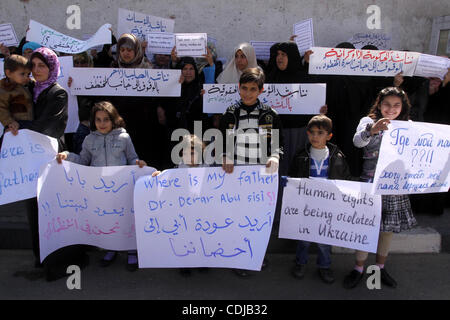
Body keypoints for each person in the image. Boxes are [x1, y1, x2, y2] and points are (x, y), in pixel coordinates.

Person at [56, 101, 147, 271]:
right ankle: (111, 248)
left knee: (125, 219)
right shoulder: (89, 140)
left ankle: (131, 250)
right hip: (99, 190)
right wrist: (67, 156)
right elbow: (83, 161)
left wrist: (139, 163)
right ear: (93, 121)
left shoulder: (124, 137)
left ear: (113, 120)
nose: (102, 123)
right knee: (107, 220)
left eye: (106, 119)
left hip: (121, 187)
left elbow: (132, 159)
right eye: (98, 120)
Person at [344, 87, 418, 289]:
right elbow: (357, 142)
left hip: (394, 186)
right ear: (379, 104)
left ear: (402, 107)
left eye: (396, 105)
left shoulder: (408, 126)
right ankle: (359, 268)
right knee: (364, 226)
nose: (391, 109)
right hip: (370, 185)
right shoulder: (368, 121)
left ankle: (379, 269)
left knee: (387, 231)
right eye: (386, 104)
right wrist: (372, 130)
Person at [220, 67, 283, 277]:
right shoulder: (230, 112)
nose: (247, 93)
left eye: (253, 89)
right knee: (237, 215)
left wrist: (275, 156)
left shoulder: (270, 114)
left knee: (257, 216)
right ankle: (238, 256)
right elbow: (221, 141)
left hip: (260, 174)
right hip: (236, 172)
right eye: (244, 88)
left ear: (261, 90)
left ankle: (257, 253)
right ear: (238, 88)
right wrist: (225, 155)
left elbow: (278, 144)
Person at [287, 115, 352, 284]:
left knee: (324, 240)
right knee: (304, 238)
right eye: (312, 133)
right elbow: (293, 178)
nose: (315, 137)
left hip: (328, 206)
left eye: (320, 133)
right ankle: (300, 262)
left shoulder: (338, 156)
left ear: (329, 136)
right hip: (306, 205)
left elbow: (345, 179)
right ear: (307, 134)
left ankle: (324, 266)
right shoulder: (301, 155)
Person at [152, 134, 209, 277]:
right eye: (185, 153)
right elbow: (168, 179)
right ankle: (185, 263)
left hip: (202, 212)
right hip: (184, 212)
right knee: (185, 237)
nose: (189, 156)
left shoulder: (208, 168)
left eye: (192, 152)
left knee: (201, 237)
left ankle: (202, 261)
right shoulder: (178, 169)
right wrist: (159, 175)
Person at [0, 54, 33, 138]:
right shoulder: (4, 89)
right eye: (22, 74)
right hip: (15, 126)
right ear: (8, 73)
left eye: (28, 74)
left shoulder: (27, 85)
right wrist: (9, 122)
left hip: (29, 124)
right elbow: (1, 109)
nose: (26, 77)